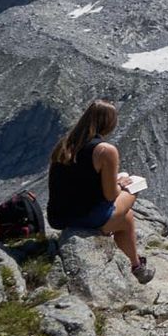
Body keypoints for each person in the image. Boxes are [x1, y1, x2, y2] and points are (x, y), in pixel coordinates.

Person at [46, 98, 154, 284]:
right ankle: (136, 265)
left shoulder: (64, 145)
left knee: (126, 219)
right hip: (86, 218)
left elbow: (76, 181)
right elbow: (111, 195)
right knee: (133, 189)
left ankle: (136, 265)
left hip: (58, 217)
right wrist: (122, 184)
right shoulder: (105, 150)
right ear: (109, 123)